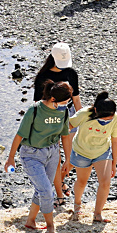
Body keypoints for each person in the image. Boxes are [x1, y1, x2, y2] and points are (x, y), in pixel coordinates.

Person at [3, 81, 74, 233]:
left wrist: (68, 159)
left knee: (42, 189)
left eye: (67, 102)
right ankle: (50, 226)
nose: (66, 105)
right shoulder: (34, 111)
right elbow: (19, 135)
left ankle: (30, 221)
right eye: (64, 102)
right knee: (46, 191)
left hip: (52, 153)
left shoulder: (63, 111)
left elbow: (65, 136)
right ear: (53, 99)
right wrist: (10, 159)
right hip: (31, 155)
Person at [33, 42, 83, 203]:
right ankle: (59, 193)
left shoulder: (71, 73)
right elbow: (37, 103)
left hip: (69, 115)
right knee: (56, 157)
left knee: (72, 156)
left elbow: (75, 97)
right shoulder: (42, 77)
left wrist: (81, 118)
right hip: (50, 117)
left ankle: (60, 182)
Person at [69, 91, 117, 223]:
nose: (106, 121)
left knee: (105, 181)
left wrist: (114, 163)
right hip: (81, 151)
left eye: (109, 118)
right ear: (96, 110)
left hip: (102, 151)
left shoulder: (115, 119)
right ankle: (77, 206)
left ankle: (97, 213)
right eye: (103, 118)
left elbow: (115, 140)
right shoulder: (84, 114)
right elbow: (68, 126)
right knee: (82, 181)